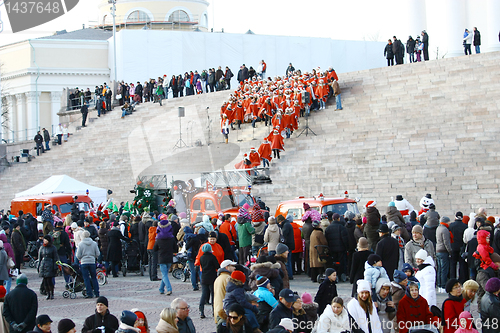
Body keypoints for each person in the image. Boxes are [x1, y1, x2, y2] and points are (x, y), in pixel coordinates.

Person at [154, 220, 177, 295]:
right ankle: (161, 289)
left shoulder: (158, 238)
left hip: (161, 257)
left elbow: (155, 249)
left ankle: (169, 289)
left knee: (164, 275)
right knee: (165, 274)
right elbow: (175, 248)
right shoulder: (171, 237)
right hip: (169, 257)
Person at [76, 230, 100, 298]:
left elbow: (78, 255)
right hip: (92, 261)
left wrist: (81, 259)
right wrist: (94, 257)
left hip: (84, 262)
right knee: (94, 277)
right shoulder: (94, 243)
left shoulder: (80, 244)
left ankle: (89, 293)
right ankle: (97, 292)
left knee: (86, 278)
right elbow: (98, 253)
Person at [199, 243, 220, 318]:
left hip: (204, 277)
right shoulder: (212, 257)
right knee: (213, 295)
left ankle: (201, 311)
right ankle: (214, 312)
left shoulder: (201, 258)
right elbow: (217, 266)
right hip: (212, 277)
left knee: (204, 294)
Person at [38, 234, 59, 300]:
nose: (44, 241)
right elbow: (40, 257)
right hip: (43, 264)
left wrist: (55, 266)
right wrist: (39, 266)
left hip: (50, 265)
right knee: (45, 281)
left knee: (49, 281)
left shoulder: (53, 248)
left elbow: (55, 258)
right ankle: (48, 293)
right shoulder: (42, 248)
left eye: (46, 240)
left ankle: (51, 293)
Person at [449, 212, 468, 283]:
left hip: (453, 246)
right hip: (461, 246)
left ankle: (452, 278)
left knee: (453, 263)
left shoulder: (451, 225)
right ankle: (462, 279)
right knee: (461, 264)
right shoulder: (465, 226)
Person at [436, 216, 453, 293]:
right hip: (443, 251)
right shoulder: (445, 229)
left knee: (439, 269)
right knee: (444, 270)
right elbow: (446, 242)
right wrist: (450, 251)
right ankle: (443, 286)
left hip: (438, 250)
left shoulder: (438, 228)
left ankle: (439, 285)